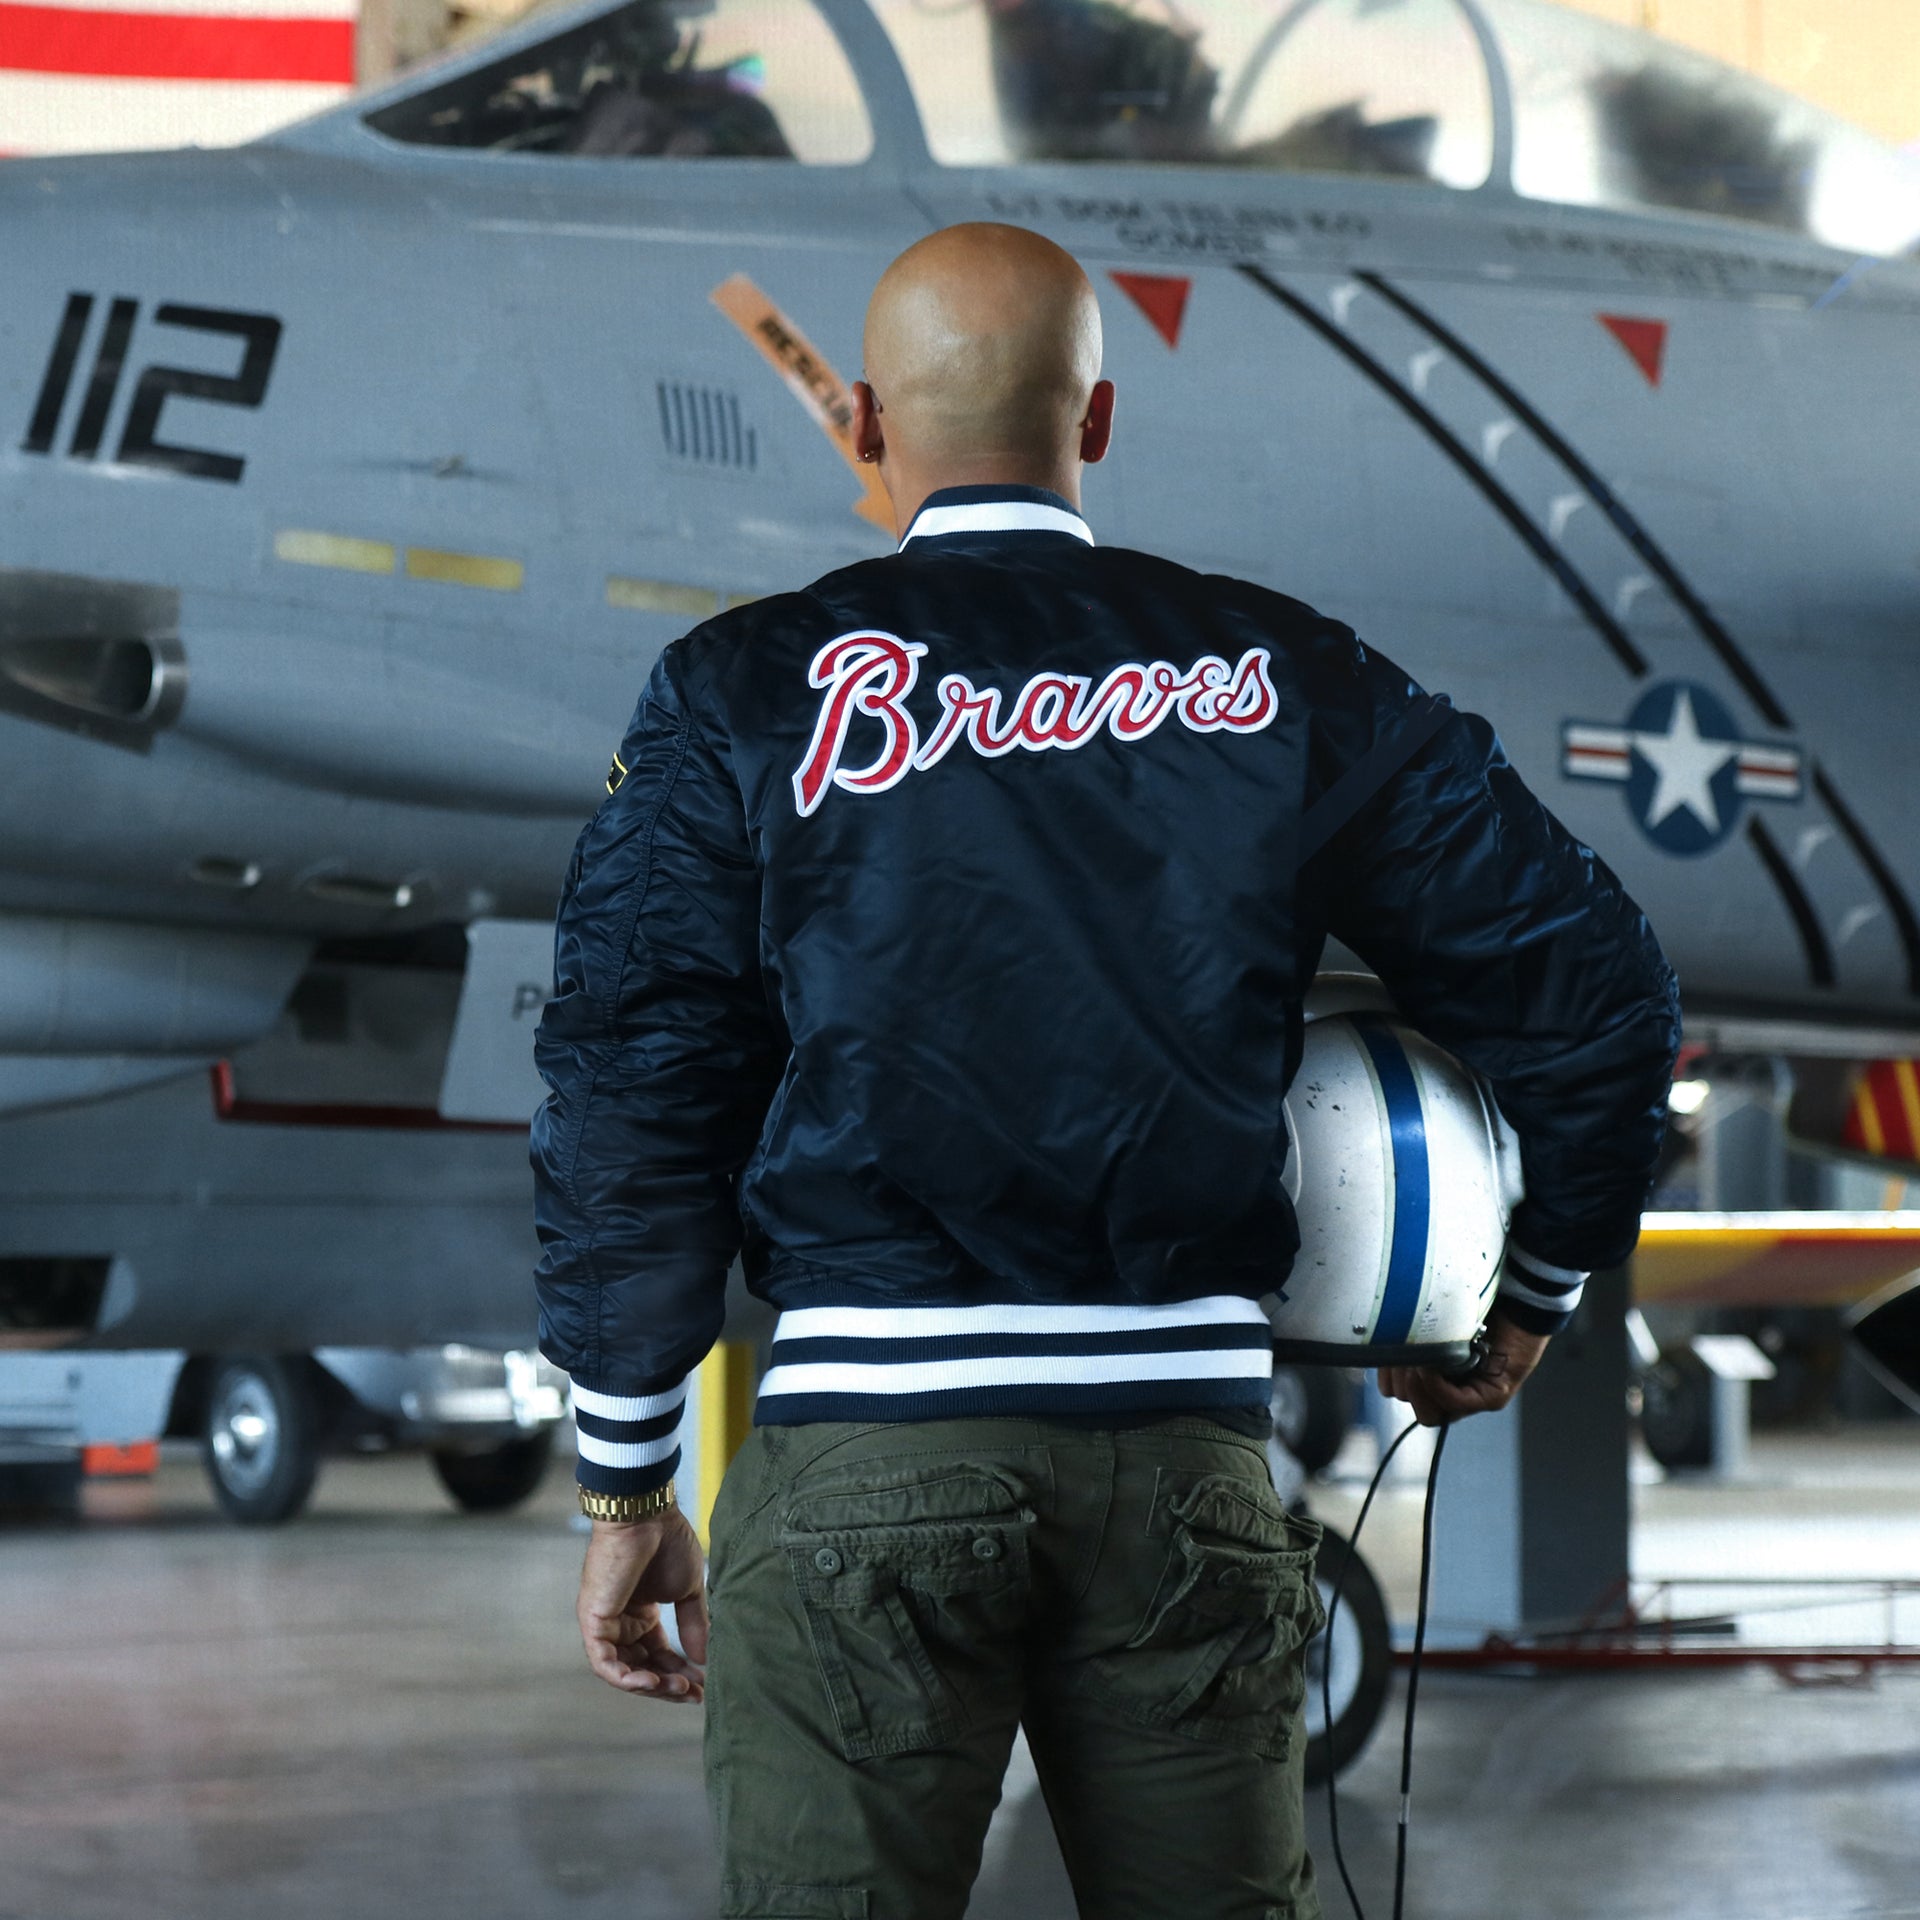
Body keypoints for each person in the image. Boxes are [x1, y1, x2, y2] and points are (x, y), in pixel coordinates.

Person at [531, 223, 1679, 1920]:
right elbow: (1594, 985)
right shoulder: (1291, 677)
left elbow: (633, 1078)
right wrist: (1532, 1291)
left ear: (860, 423)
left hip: (864, 1468)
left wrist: (626, 1476)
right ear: (1101, 419)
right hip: (1189, 1469)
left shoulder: (738, 693)